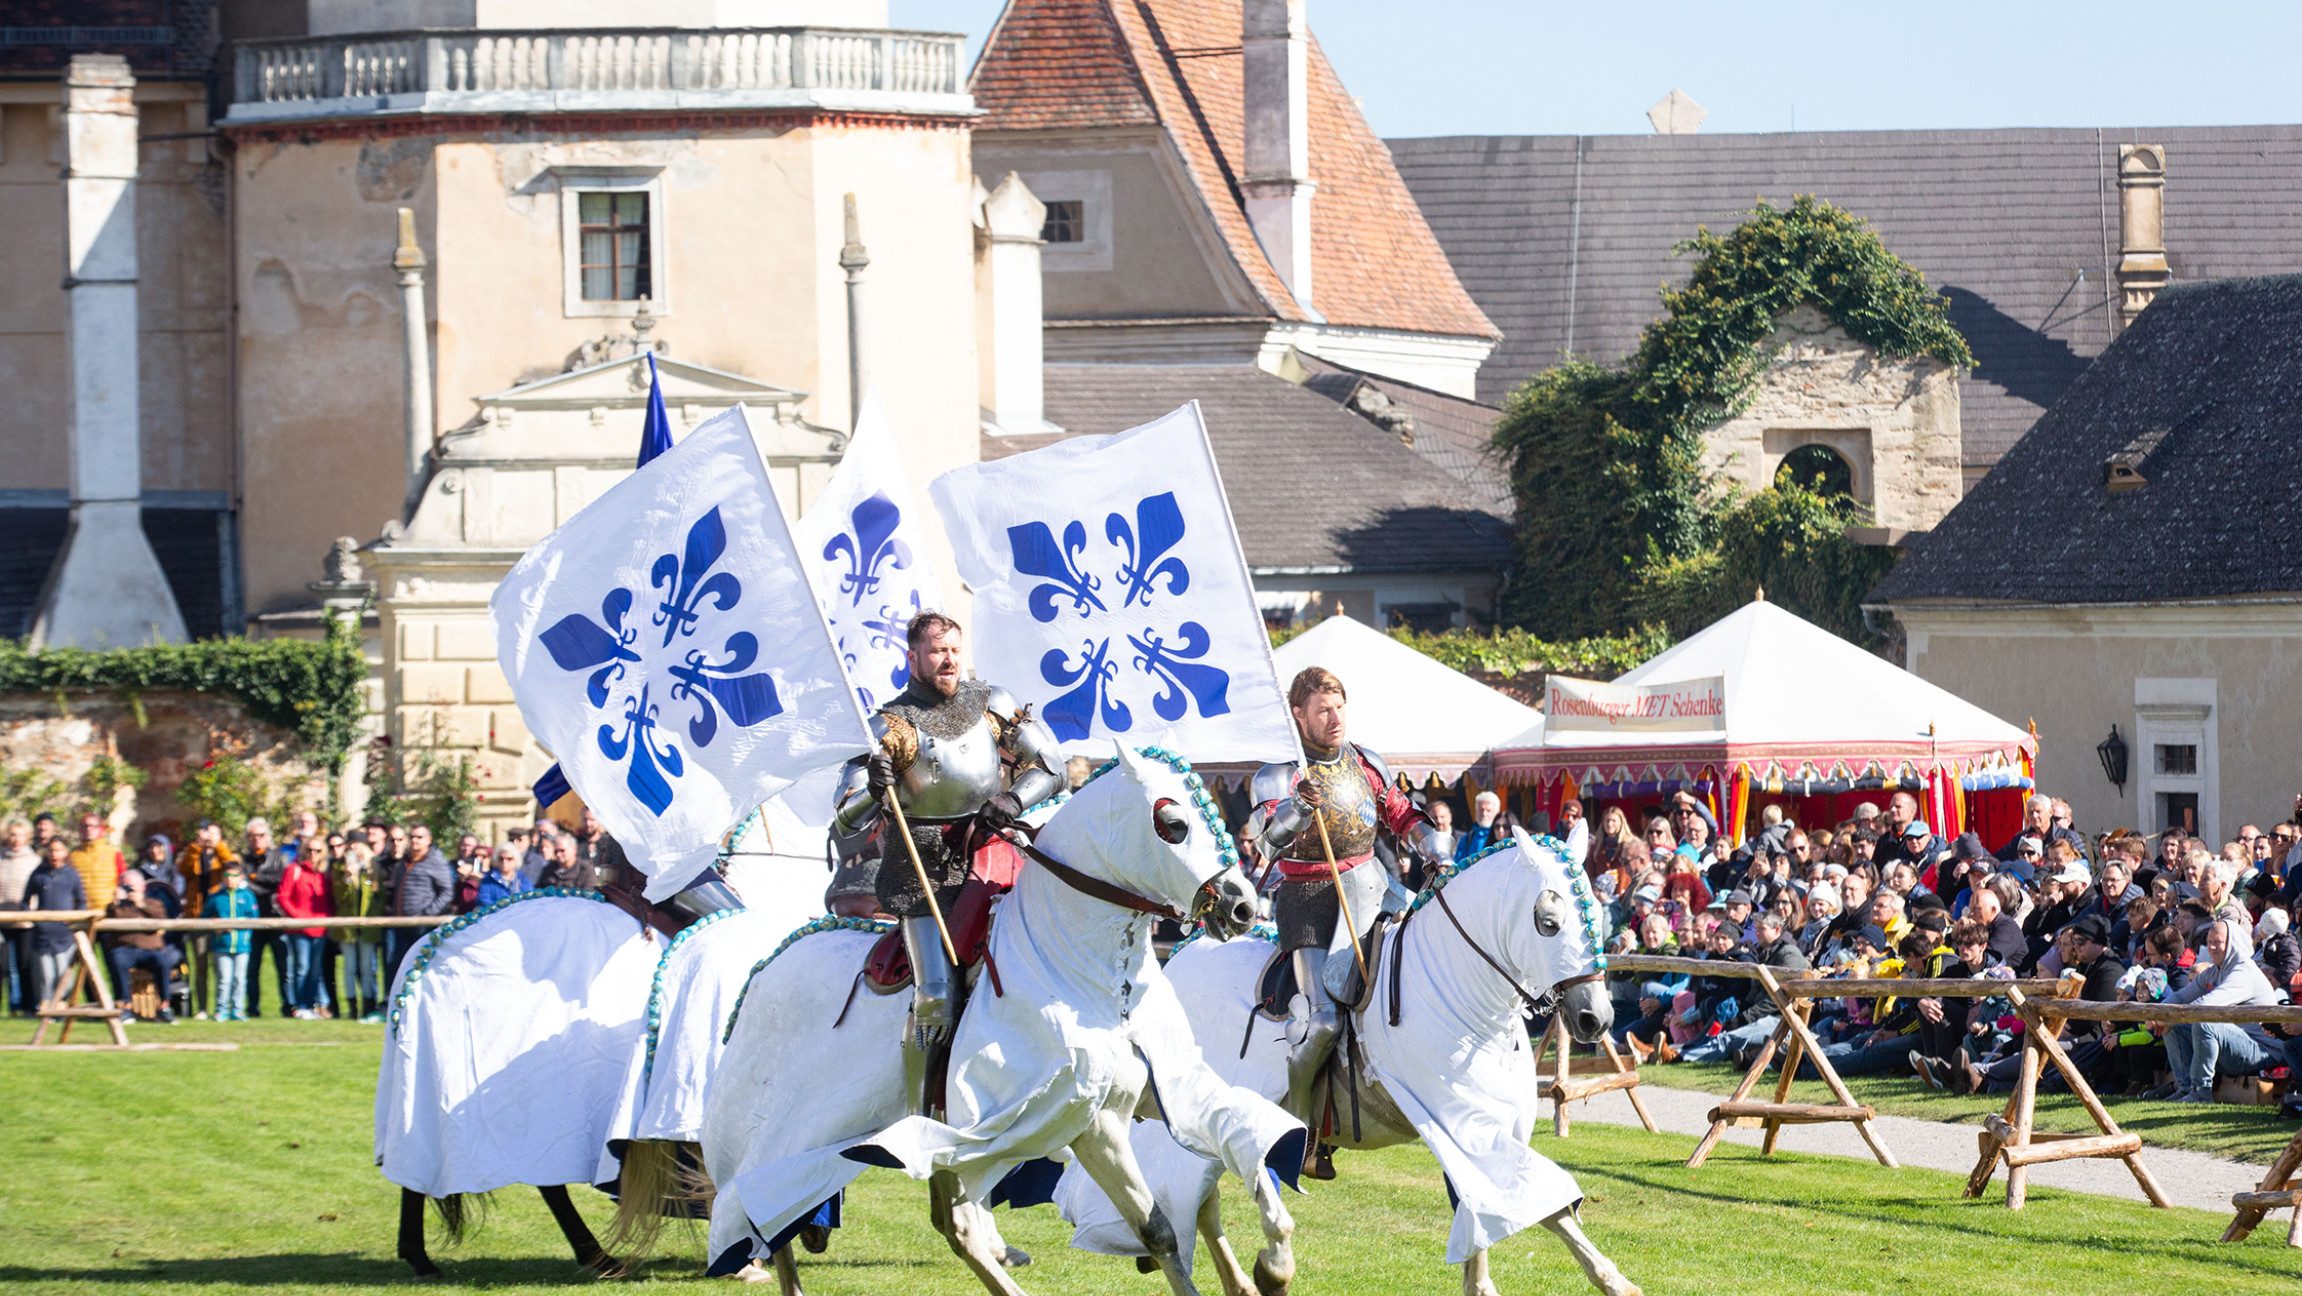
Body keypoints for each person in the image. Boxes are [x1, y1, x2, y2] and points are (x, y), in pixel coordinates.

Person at [830, 611, 1062, 1119]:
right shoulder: (889, 727)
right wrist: (873, 786)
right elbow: (844, 823)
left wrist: (1014, 801)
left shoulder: (991, 704)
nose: (949, 659)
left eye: (955, 649)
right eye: (937, 651)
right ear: (913, 658)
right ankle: (919, 1120)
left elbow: (1052, 765)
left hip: (993, 855)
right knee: (936, 995)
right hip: (923, 870)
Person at [1248, 663, 1445, 1173]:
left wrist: (1432, 846)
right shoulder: (1279, 773)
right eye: (1322, 711)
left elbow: (1400, 812)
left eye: (1339, 708)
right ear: (1299, 715)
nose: (1335, 719)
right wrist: (1296, 807)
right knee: (1322, 1022)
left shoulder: (1366, 762)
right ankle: (1299, 1134)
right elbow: (1269, 839)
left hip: (1374, 887)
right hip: (1308, 895)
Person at [2152, 917, 2285, 1102]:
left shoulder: (2243, 971)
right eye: (2209, 942)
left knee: (2205, 1022)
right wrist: (2156, 1014)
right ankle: (2185, 1088)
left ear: (2232, 943)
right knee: (2174, 1027)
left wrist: (2167, 1017)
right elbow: (2182, 997)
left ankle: (2201, 1092)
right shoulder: (2215, 970)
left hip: (2262, 1051)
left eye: (2218, 942)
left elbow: (2208, 1006)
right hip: (2236, 1046)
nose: (2212, 947)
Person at [101, 870, 179, 1023]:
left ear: (142, 887)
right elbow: (112, 920)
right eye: (125, 886)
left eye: (132, 886)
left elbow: (160, 919)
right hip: (125, 949)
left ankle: (164, 1006)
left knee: (163, 961)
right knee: (118, 961)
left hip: (150, 949)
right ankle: (126, 1006)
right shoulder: (118, 906)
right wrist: (115, 903)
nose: (129, 889)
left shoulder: (154, 903)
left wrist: (140, 904)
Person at [22, 837, 87, 1008]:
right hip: (42, 933)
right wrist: (33, 919)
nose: (54, 854)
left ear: (65, 852)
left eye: (58, 850)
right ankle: (44, 1005)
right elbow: (25, 900)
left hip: (64, 933)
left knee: (63, 974)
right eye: (51, 850)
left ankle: (61, 1005)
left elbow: (81, 901)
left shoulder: (72, 874)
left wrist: (75, 920)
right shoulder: (39, 874)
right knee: (45, 975)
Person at [275, 838, 334, 1019]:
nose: (313, 854)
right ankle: (301, 1005)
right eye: (310, 850)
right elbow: (283, 897)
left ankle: (313, 1005)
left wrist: (328, 920)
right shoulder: (294, 870)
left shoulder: (324, 874)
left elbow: (330, 900)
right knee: (301, 967)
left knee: (316, 969)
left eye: (317, 850)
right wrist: (299, 918)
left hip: (320, 928)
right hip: (299, 929)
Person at [388, 824, 456, 980]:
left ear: (429, 840)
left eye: (419, 837)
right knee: (398, 966)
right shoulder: (404, 862)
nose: (414, 840)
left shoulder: (435, 861)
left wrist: (428, 914)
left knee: (421, 968)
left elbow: (447, 891)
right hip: (400, 924)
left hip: (422, 926)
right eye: (412, 836)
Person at [332, 840, 388, 1022]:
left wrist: (372, 918)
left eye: (357, 846)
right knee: (349, 968)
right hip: (348, 929)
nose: (354, 850)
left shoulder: (374, 869)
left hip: (367, 929)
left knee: (367, 968)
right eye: (351, 847)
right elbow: (339, 898)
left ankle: (368, 1007)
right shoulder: (340, 869)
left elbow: (379, 898)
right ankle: (352, 1008)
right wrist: (348, 879)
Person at [242, 818, 289, 1018]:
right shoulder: (244, 860)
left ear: (267, 837)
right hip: (252, 920)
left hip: (276, 917)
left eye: (260, 835)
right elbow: (243, 883)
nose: (257, 840)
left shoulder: (279, 857)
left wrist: (254, 879)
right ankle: (252, 1008)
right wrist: (261, 882)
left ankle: (289, 1006)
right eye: (253, 836)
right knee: (252, 969)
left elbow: (280, 881)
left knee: (284, 968)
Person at [201, 863, 260, 1022]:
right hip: (222, 945)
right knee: (224, 979)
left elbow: (254, 918)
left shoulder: (247, 896)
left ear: (241, 877)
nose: (230, 880)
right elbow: (205, 918)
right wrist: (217, 926)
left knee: (239, 979)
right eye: (227, 876)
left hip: (242, 945)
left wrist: (240, 923)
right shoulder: (216, 897)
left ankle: (238, 1009)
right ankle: (221, 1009)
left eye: (234, 876)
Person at [0, 819, 39, 1014]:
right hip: (2, 919)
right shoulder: (1, 859)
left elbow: (37, 889)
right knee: (2, 966)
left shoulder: (34, 861)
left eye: (20, 835)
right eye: (13, 835)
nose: (16, 839)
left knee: (25, 965)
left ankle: (28, 1006)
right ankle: (7, 1008)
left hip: (25, 922)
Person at [68, 812, 124, 911]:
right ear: (80, 829)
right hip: (80, 912)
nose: (88, 829)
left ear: (100, 828)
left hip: (107, 911)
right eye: (84, 826)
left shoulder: (113, 853)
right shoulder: (72, 856)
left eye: (92, 826)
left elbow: (122, 879)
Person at [1454, 791, 1502, 861]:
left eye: (1488, 810)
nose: (1484, 814)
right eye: (1481, 810)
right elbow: (1459, 865)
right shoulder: (1468, 838)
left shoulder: (1503, 834)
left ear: (1497, 812)